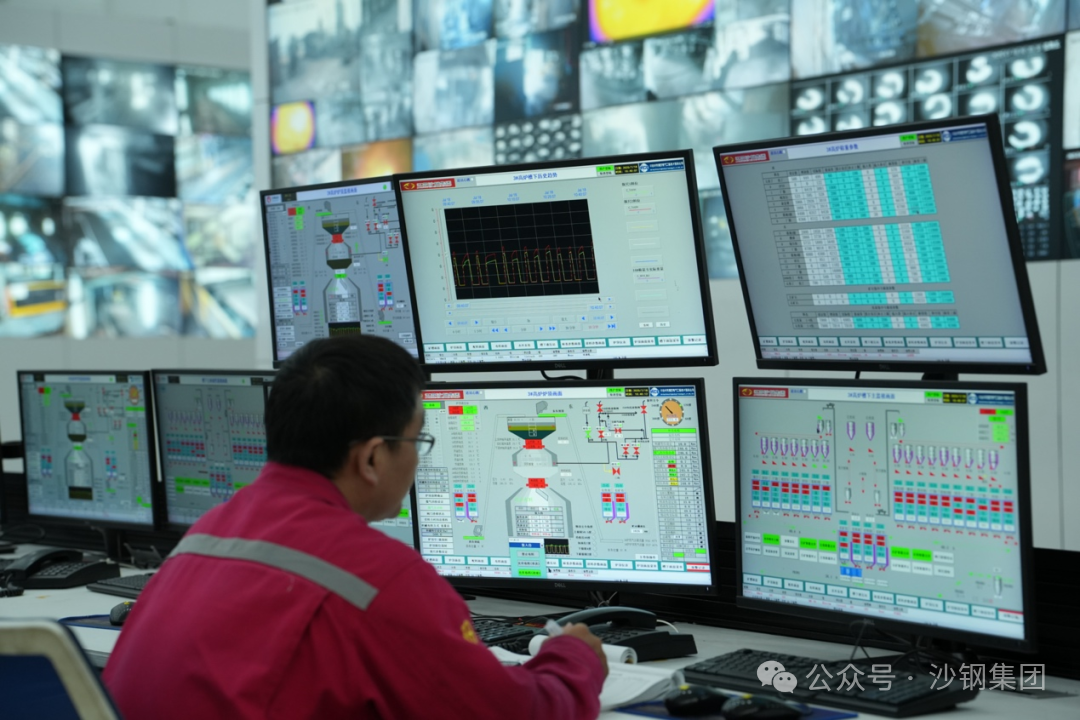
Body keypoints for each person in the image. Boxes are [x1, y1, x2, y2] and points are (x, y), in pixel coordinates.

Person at [104, 336, 607, 719]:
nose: (417, 459)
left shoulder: (209, 533)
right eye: (417, 440)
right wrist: (573, 658)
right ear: (371, 459)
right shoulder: (381, 577)